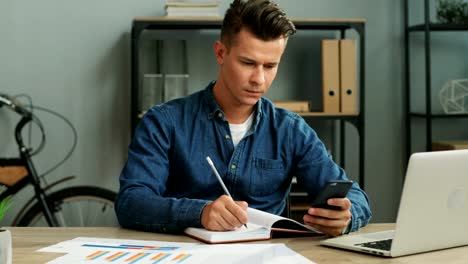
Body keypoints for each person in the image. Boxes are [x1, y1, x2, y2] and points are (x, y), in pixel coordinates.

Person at [115, 0, 372, 237]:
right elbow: (131, 202)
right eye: (248, 63)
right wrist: (200, 213)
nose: (259, 79)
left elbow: (357, 197)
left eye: (270, 66)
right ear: (220, 53)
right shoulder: (164, 122)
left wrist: (347, 216)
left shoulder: (290, 130)